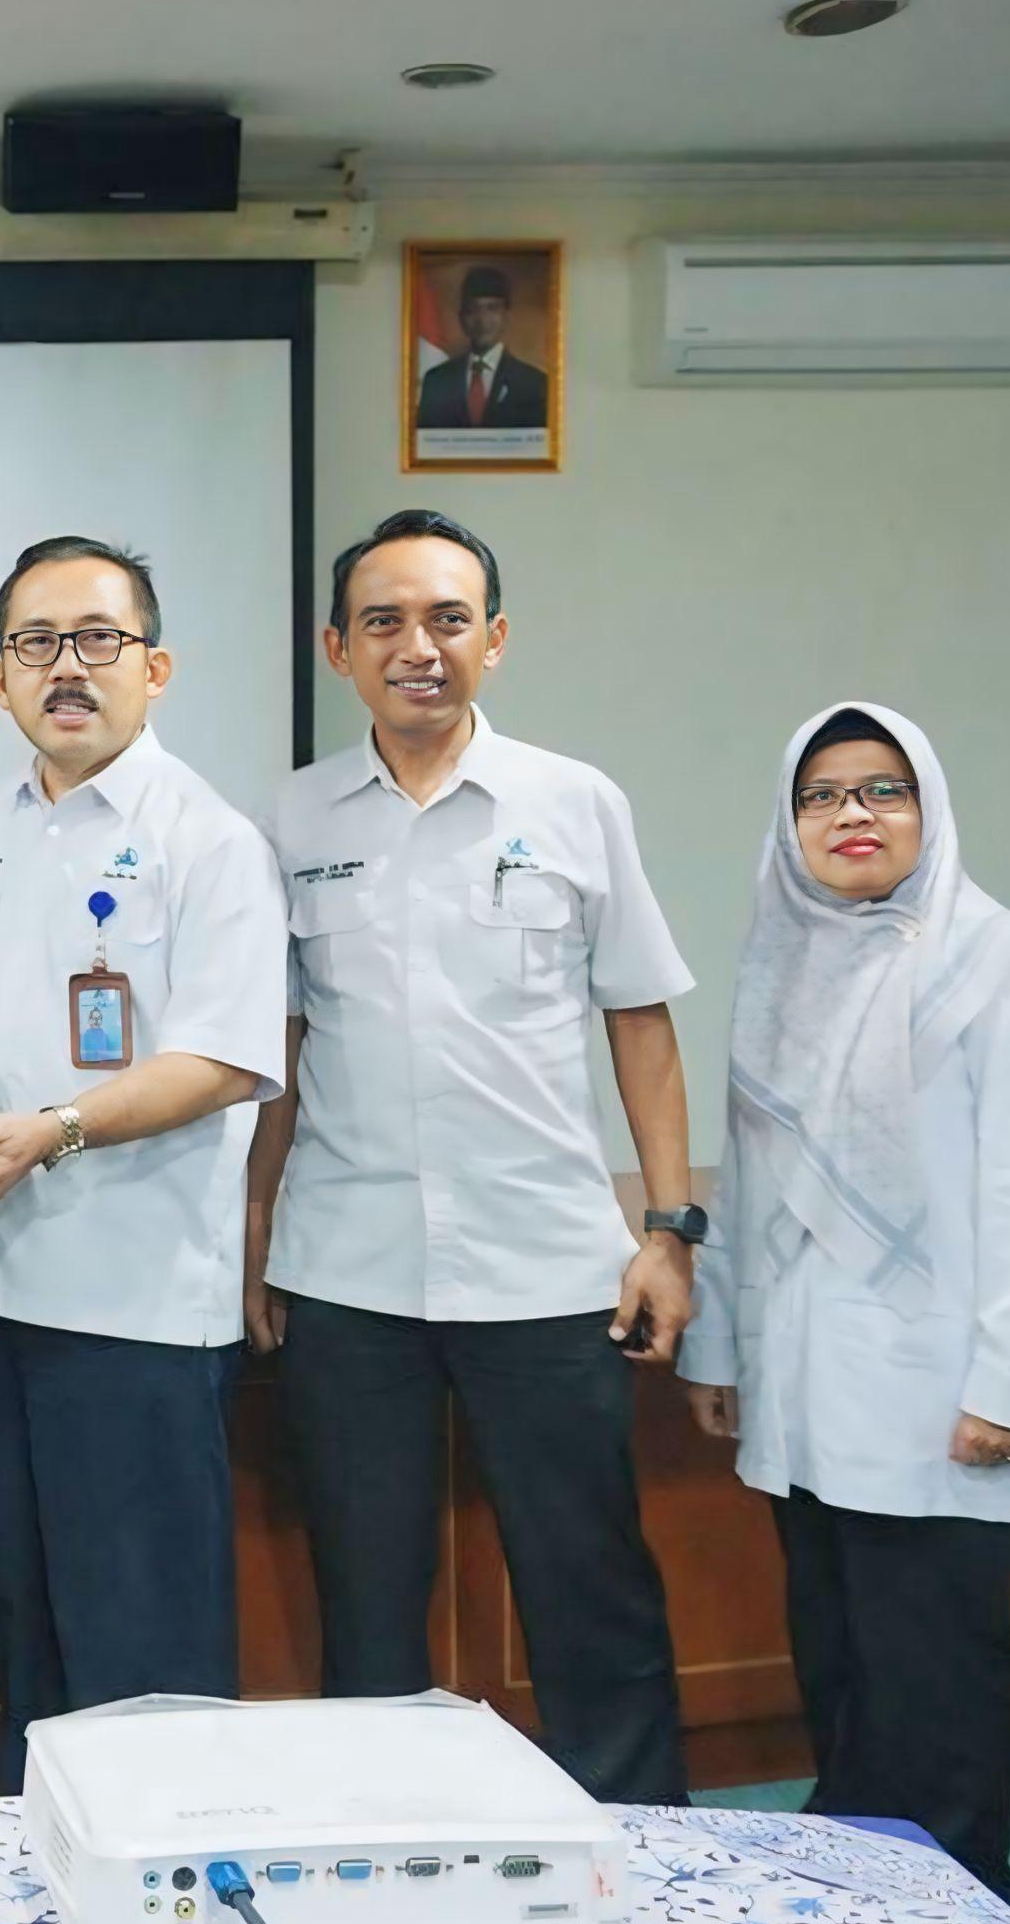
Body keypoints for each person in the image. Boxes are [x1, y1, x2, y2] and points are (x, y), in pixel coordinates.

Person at [246, 508, 699, 1805]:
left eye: (448, 619)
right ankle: (382, 1840)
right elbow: (279, 1040)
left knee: (588, 1582)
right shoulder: (292, 817)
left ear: (494, 639)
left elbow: (640, 1020)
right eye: (384, 621)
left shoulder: (575, 802)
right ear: (338, 648)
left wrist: (669, 1229)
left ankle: (638, 1837)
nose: (418, 647)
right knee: (366, 1594)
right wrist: (255, 1225)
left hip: (548, 1266)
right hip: (349, 1270)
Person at [677, 703, 1010, 1904]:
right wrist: (720, 1344)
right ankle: (861, 1915)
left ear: (928, 808)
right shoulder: (786, 964)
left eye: (882, 789)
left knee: (936, 1682)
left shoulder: (1005, 963)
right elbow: (747, 1174)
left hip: (944, 1396)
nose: (851, 813)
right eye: (820, 794)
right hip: (810, 1392)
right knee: (843, 1665)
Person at [0, 535, 288, 1791]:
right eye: (36, 643)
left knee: (143, 1652)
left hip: (139, 1306)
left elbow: (222, 1058)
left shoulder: (210, 840)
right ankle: (42, 1875)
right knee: (19, 1624)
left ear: (154, 667)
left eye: (98, 639)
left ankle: (169, 1882)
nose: (67, 666)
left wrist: (57, 1128)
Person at [413, 264, 551, 431]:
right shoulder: (436, 381)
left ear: (506, 316)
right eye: (473, 310)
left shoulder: (533, 384)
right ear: (461, 317)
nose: (482, 320)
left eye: (492, 309)